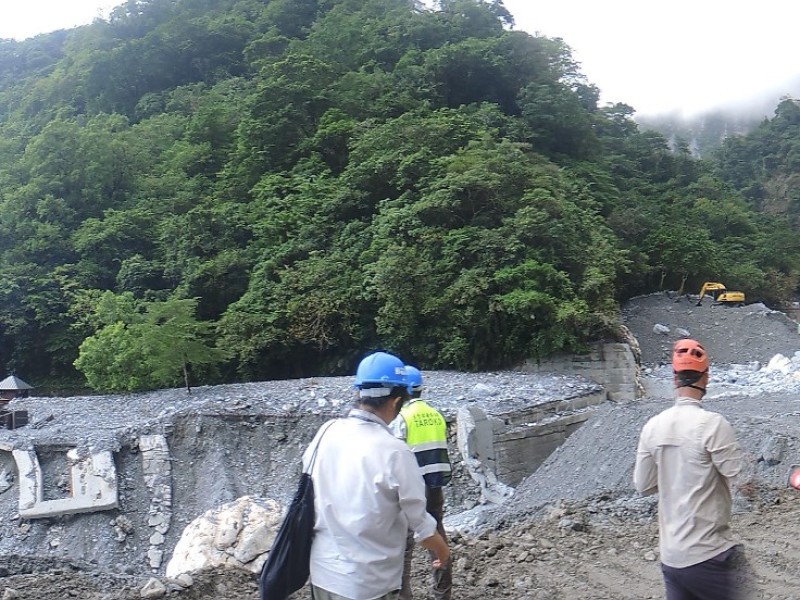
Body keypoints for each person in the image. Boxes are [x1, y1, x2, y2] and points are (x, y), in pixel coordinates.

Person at [304, 351, 450, 600]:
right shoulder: (395, 451)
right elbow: (421, 525)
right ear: (395, 401)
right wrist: (442, 552)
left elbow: (308, 485)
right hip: (368, 583)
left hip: (322, 574)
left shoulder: (326, 432)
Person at [633, 338, 748, 600]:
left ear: (674, 379)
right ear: (706, 378)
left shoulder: (652, 426)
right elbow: (743, 479)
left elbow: (642, 485)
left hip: (671, 558)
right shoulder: (713, 425)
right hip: (709, 554)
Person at [391, 366, 452, 600]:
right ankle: (442, 594)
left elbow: (394, 455)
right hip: (435, 486)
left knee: (404, 546)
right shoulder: (435, 414)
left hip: (413, 487)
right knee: (438, 539)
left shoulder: (402, 418)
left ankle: (403, 597)